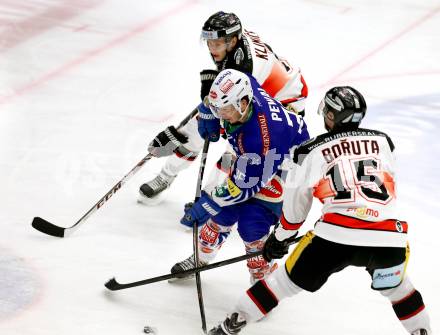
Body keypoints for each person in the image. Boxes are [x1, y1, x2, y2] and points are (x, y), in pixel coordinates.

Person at [208, 86, 432, 335]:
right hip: (388, 237)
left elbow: (296, 207)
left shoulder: (309, 150)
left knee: (282, 283)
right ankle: (422, 332)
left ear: (332, 116)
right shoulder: (384, 142)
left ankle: (233, 324)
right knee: (399, 289)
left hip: (334, 236)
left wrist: (280, 238)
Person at [138, 11, 308, 202]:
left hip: (284, 101)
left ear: (233, 41)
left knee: (236, 150)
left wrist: (184, 131)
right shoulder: (235, 45)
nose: (211, 49)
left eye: (216, 44)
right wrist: (182, 133)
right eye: (209, 43)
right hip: (260, 90)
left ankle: (211, 200)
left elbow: (225, 112)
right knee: (197, 134)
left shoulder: (247, 67)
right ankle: (166, 176)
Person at [170, 69, 309, 283]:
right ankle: (201, 257)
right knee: (222, 214)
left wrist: (208, 202)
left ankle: (262, 275)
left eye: (224, 110)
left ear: (243, 104)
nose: (220, 115)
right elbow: (220, 91)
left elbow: (242, 187)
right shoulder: (243, 86)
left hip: (288, 166)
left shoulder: (259, 140)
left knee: (251, 223)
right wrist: (207, 110)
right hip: (262, 156)